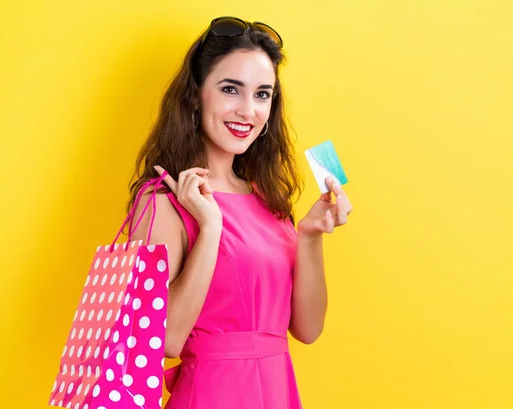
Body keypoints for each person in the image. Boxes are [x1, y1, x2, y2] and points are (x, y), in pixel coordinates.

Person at [126, 16, 353, 409]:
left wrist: (311, 236)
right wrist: (210, 227)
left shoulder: (269, 200)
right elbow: (165, 341)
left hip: (278, 394)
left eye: (263, 94)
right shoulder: (162, 199)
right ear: (195, 95)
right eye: (231, 89)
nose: (248, 110)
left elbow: (308, 329)